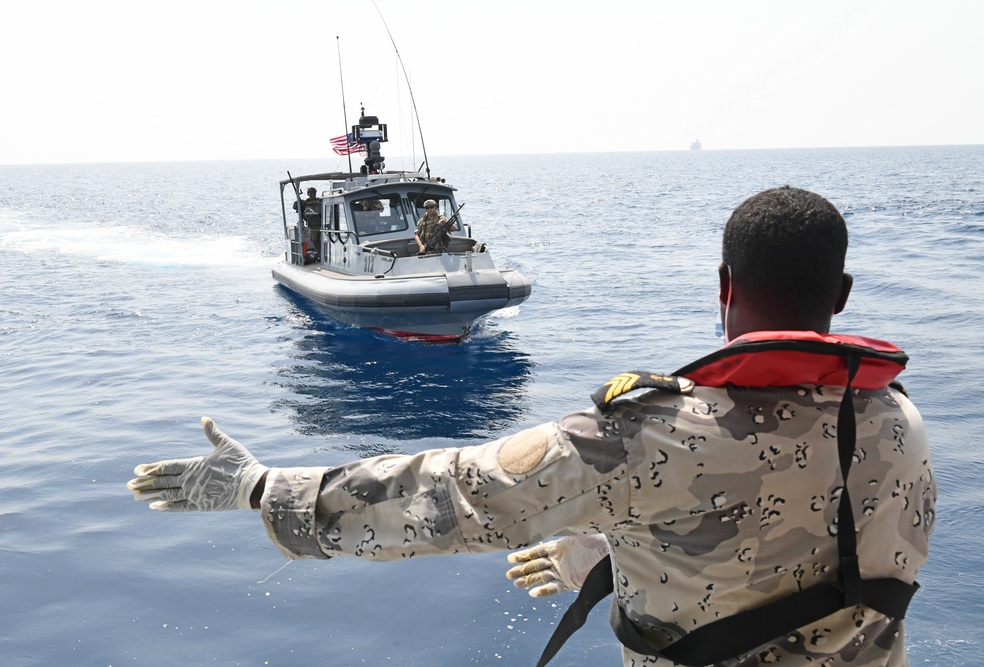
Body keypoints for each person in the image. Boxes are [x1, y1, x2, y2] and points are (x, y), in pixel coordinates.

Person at [128, 187, 935, 666]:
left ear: (724, 285)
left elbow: (454, 494)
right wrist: (626, 554)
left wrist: (264, 488)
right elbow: (815, 555)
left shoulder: (652, 435)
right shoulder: (900, 422)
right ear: (843, 291)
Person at [293, 187, 322, 255]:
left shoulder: (320, 201)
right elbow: (295, 206)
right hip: (312, 226)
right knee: (314, 240)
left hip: (321, 224)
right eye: (310, 193)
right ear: (308, 194)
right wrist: (299, 201)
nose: (312, 194)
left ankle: (322, 254)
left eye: (313, 193)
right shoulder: (305, 203)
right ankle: (320, 254)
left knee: (322, 240)